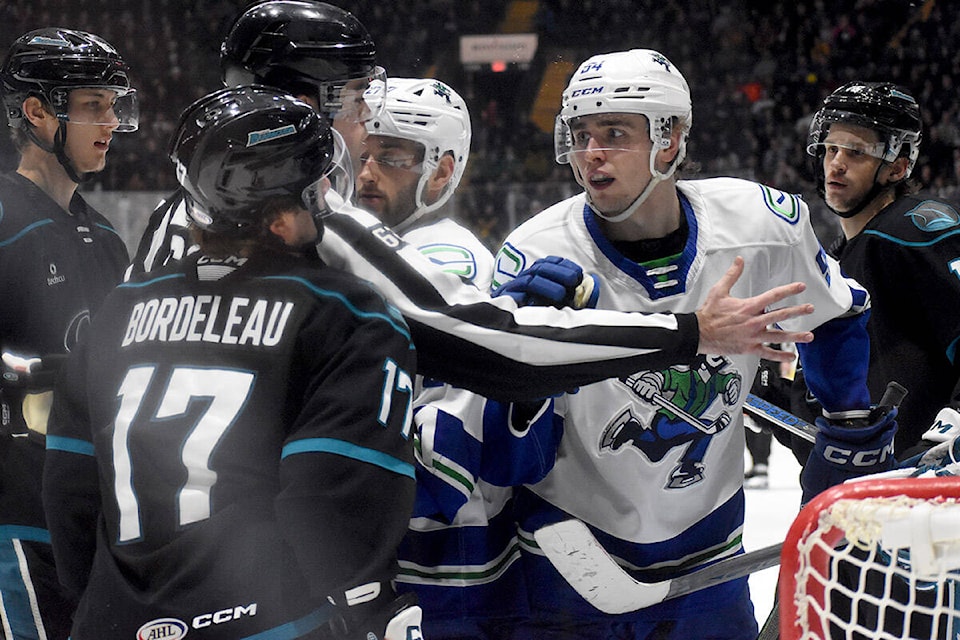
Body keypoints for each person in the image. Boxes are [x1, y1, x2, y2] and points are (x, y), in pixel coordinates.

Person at [128, 0, 818, 405]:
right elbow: (502, 350)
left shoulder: (168, 217)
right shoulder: (318, 224)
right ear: (307, 101)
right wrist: (688, 331)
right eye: (356, 100)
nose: (364, 127)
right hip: (275, 566)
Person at [483, 49, 898, 639]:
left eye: (614, 132)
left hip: (709, 543)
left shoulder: (761, 225)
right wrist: (524, 364)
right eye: (580, 134)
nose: (591, 153)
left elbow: (836, 312)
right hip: (570, 549)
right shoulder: (537, 254)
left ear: (671, 139)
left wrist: (849, 420)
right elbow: (502, 450)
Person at [42, 85, 422, 640]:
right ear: (281, 217)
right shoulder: (346, 310)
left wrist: (107, 604)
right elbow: (330, 494)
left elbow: (69, 490)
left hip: (113, 621)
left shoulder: (119, 310)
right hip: (270, 618)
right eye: (316, 188)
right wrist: (362, 605)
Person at [352, 76, 532, 638]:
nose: (366, 174)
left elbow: (446, 458)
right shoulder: (361, 249)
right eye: (361, 154)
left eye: (393, 157)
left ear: (444, 170)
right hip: (399, 564)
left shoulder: (446, 264)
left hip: (440, 573)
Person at [0, 27, 138, 639]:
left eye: (113, 106)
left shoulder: (106, 237)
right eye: (92, 107)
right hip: (14, 512)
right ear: (36, 112)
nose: (109, 122)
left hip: (90, 518)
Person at [802, 81, 960, 458]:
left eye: (855, 152)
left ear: (897, 167)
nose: (836, 162)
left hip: (923, 498)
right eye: (831, 148)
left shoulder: (915, 229)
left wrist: (953, 426)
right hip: (866, 494)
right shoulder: (837, 262)